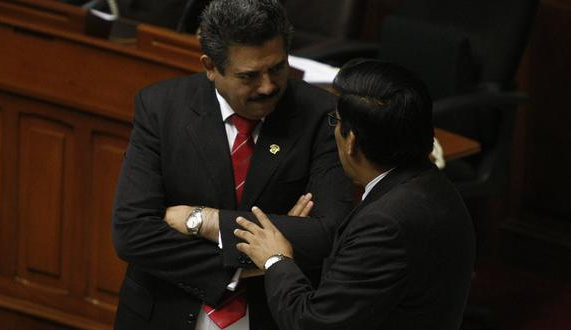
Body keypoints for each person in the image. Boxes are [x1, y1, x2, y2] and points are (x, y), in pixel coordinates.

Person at [111, 0, 352, 329]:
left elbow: (329, 235)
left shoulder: (320, 115)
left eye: (278, 68)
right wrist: (258, 260)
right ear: (211, 67)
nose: (267, 86)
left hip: (270, 315)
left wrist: (205, 222)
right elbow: (132, 233)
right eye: (249, 76)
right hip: (165, 311)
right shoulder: (161, 108)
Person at [234, 60, 476, 330]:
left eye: (335, 121)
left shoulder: (386, 225)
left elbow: (312, 324)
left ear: (351, 142)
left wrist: (275, 259)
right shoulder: (430, 183)